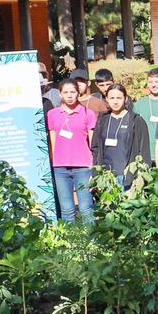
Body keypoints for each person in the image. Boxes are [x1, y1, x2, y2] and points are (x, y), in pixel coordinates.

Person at [48, 79, 98, 222]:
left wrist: (93, 166)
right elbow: (53, 141)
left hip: (83, 166)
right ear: (60, 94)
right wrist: (54, 162)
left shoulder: (88, 113)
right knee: (67, 209)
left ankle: (92, 242)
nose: (69, 95)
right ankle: (70, 241)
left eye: (73, 92)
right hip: (60, 168)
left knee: (85, 207)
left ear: (78, 93)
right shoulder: (52, 114)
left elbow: (92, 142)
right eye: (66, 92)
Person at [92, 83, 150, 187]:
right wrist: (96, 173)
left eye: (119, 98)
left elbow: (144, 151)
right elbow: (95, 147)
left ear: (125, 99)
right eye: (112, 98)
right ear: (107, 99)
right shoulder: (102, 120)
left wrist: (141, 176)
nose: (115, 101)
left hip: (128, 176)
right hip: (107, 176)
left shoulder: (136, 121)